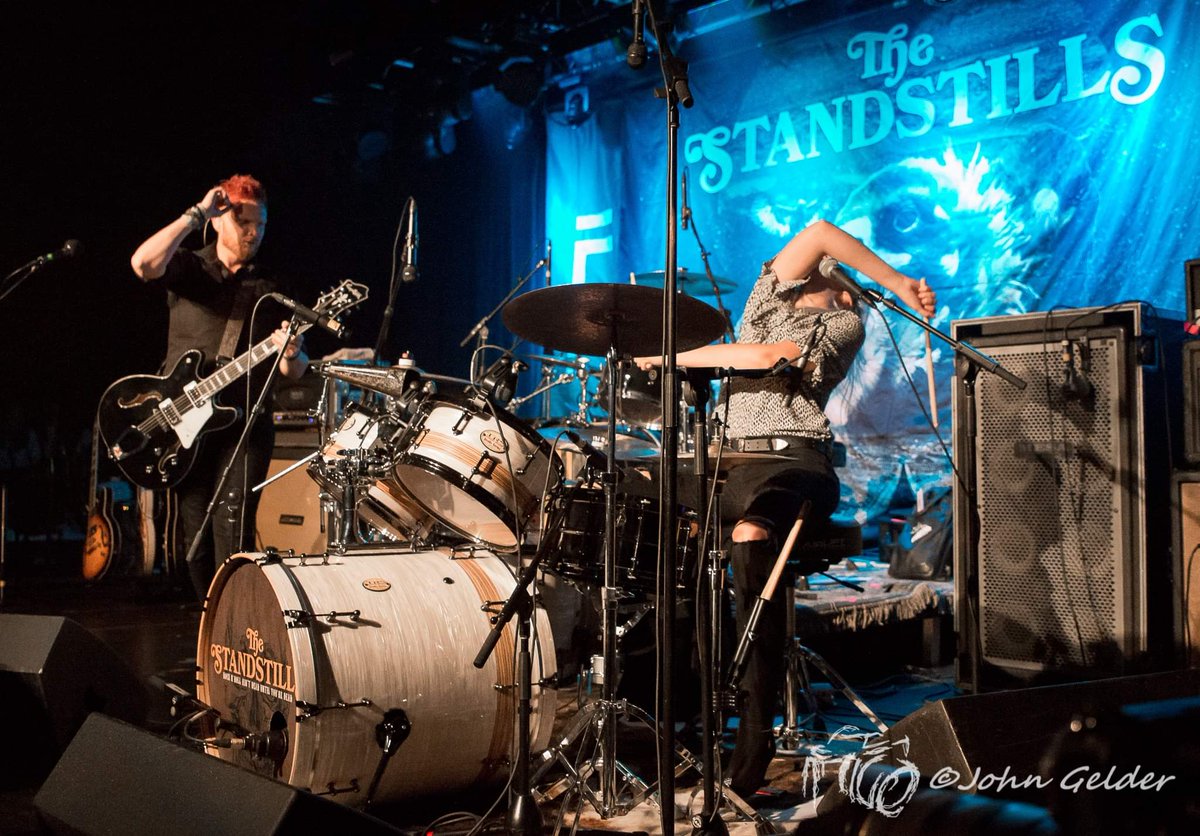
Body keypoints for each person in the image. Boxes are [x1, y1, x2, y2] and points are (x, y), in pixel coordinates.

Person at [637, 218, 937, 797]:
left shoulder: (843, 321)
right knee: (652, 528)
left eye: (820, 277)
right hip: (724, 462)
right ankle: (675, 719)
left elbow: (769, 354)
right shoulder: (762, 301)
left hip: (793, 462)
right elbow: (820, 231)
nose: (800, 277)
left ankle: (753, 740)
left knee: (752, 533)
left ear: (844, 291)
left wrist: (896, 283)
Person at [130, 174, 309, 600]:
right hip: (187, 426)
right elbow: (142, 264)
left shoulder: (273, 286)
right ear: (218, 220)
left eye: (260, 225)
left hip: (243, 423)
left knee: (233, 525)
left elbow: (295, 371)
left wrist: (291, 353)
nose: (253, 232)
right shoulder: (191, 267)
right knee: (195, 543)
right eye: (244, 222)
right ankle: (211, 617)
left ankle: (237, 623)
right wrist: (194, 215)